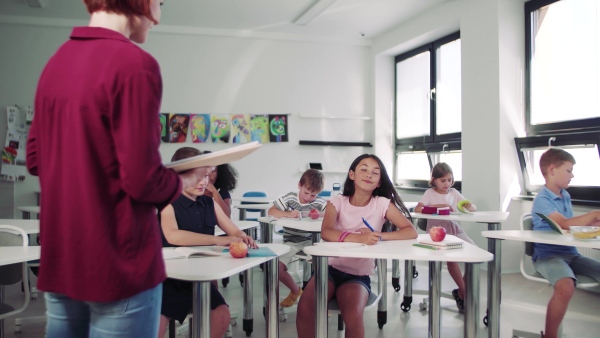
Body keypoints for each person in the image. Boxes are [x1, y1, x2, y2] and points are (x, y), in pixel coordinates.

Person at [25, 1, 182, 337]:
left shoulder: (56, 63)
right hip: (119, 261)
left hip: (62, 255)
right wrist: (178, 181)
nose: (160, 12)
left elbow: (36, 158)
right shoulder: (135, 64)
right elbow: (142, 179)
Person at [296, 154, 417, 338]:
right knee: (305, 307)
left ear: (378, 182)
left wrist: (378, 236)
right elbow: (327, 232)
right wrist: (358, 238)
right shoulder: (337, 201)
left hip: (357, 276)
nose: (369, 174)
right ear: (352, 174)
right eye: (364, 169)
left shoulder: (382, 204)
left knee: (352, 316)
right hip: (328, 269)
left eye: (375, 173)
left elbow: (410, 231)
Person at [158, 147, 257, 338]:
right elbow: (173, 236)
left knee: (221, 316)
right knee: (155, 325)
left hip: (199, 280)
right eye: (197, 177)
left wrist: (242, 237)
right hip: (168, 280)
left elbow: (233, 229)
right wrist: (217, 241)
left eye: (206, 176)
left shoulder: (209, 203)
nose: (203, 182)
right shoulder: (167, 201)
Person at [531, 148, 600, 338]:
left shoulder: (565, 195)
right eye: (569, 170)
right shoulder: (542, 200)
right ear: (552, 169)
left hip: (571, 254)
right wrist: (593, 214)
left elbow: (569, 227)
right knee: (566, 286)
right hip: (548, 256)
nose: (572, 175)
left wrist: (592, 222)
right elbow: (563, 224)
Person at [414, 162, 476, 313]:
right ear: (434, 180)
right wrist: (438, 206)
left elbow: (470, 206)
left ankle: (462, 291)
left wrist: (469, 206)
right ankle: (464, 292)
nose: (447, 184)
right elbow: (418, 209)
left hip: (453, 227)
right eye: (443, 181)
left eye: (449, 180)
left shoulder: (454, 192)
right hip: (437, 230)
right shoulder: (430, 193)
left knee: (474, 252)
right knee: (451, 259)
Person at [268, 169, 327, 308]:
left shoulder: (318, 203)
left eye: (313, 195)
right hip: (291, 241)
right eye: (306, 192)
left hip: (312, 242)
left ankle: (321, 301)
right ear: (299, 185)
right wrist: (287, 213)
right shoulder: (290, 199)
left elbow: (332, 213)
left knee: (324, 266)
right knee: (276, 268)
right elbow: (271, 211)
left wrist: (320, 214)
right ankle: (295, 290)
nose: (308, 198)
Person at [201, 150, 238, 218]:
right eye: (206, 170)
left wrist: (214, 192)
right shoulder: (194, 191)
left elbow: (227, 216)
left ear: (219, 173)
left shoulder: (222, 192)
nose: (209, 175)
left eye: (213, 171)